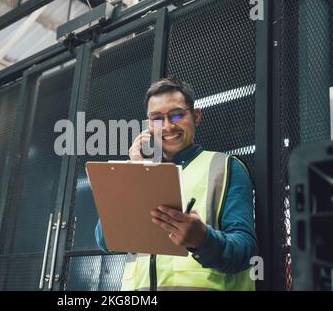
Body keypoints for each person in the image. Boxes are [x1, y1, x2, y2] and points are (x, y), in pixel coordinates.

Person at [94, 78, 258, 291]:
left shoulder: (225, 167)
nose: (168, 126)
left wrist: (204, 240)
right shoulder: (140, 172)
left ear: (196, 116)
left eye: (177, 115)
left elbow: (246, 251)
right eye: (157, 118)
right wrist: (135, 173)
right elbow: (104, 239)